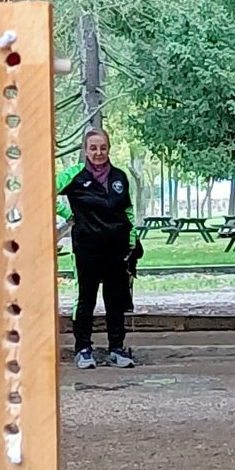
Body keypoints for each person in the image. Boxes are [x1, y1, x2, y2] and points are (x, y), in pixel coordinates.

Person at [56, 128, 140, 369]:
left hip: (116, 248)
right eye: (93, 148)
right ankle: (83, 349)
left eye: (103, 147)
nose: (98, 152)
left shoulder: (119, 177)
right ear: (85, 150)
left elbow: (127, 210)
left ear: (109, 148)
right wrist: (68, 214)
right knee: (86, 298)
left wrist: (132, 238)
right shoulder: (74, 175)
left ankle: (117, 348)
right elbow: (45, 190)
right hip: (86, 247)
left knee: (115, 299)